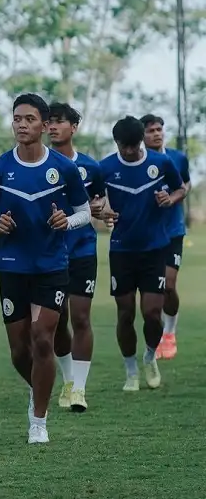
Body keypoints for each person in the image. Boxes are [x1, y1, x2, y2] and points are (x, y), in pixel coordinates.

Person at [0, 93, 91, 445]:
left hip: (52, 265)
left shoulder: (64, 169)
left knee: (43, 338)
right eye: (17, 119)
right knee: (19, 351)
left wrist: (64, 222)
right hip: (12, 266)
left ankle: (38, 420)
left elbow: (84, 213)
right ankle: (38, 389)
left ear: (43, 124)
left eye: (29, 119)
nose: (22, 125)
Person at [99, 116, 185, 392]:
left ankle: (149, 356)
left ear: (141, 141)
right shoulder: (106, 167)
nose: (129, 151)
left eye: (133, 146)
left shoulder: (161, 163)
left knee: (151, 312)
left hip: (154, 249)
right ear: (117, 144)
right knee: (125, 314)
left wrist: (170, 199)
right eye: (123, 146)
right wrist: (102, 211)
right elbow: (93, 199)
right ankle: (130, 369)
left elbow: (180, 188)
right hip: (122, 250)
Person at [47, 103, 106, 412]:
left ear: (74, 127)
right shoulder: (38, 165)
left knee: (81, 317)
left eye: (60, 122)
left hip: (82, 249)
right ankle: (68, 379)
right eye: (50, 122)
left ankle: (79, 389)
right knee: (57, 322)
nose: (53, 127)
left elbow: (98, 203)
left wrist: (100, 210)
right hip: (49, 253)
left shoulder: (90, 168)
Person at [140, 113, 190, 360]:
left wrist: (173, 198)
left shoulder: (178, 158)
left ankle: (169, 333)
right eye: (150, 131)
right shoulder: (136, 162)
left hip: (172, 231)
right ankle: (154, 338)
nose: (156, 134)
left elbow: (186, 184)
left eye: (159, 129)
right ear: (142, 136)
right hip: (146, 235)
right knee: (151, 291)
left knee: (169, 286)